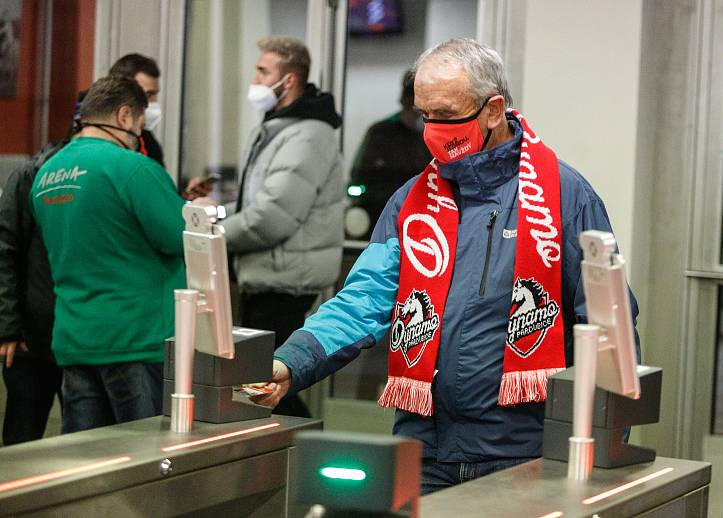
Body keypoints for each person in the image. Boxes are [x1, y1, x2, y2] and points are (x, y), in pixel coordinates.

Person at [253, 38, 640, 494]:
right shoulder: (411, 204)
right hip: (425, 450)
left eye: (446, 116)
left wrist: (600, 450)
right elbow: (363, 301)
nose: (431, 129)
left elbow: (608, 326)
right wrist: (291, 362)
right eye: (424, 115)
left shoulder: (564, 197)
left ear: (493, 110)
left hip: (525, 453)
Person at [30, 75, 193, 433]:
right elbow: (179, 237)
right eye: (139, 124)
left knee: (88, 469)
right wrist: (198, 212)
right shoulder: (133, 168)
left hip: (75, 340)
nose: (140, 136)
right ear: (123, 117)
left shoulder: (46, 175)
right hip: (135, 341)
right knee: (143, 466)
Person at [220, 37, 345, 418]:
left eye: (263, 72)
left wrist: (214, 230)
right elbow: (254, 205)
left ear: (288, 80)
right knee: (262, 385)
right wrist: (216, 214)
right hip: (265, 276)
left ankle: (306, 458)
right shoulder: (279, 127)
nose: (254, 80)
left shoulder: (308, 135)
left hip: (284, 280)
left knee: (268, 385)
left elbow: (272, 217)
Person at [0, 137, 69, 445]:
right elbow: (6, 252)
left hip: (80, 336)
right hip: (31, 337)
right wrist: (9, 330)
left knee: (87, 439)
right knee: (22, 440)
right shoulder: (32, 176)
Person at [348, 69, 431, 237]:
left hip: (422, 221)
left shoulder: (432, 136)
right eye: (415, 108)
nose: (418, 115)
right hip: (378, 216)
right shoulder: (381, 133)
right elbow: (358, 178)